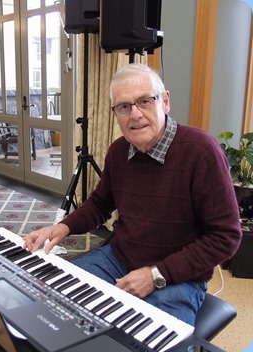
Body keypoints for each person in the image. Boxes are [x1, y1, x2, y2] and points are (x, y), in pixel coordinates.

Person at [24, 63, 242, 326]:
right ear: (116, 113)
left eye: (144, 101)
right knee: (56, 300)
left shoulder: (202, 152)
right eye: (124, 107)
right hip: (119, 258)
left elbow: (226, 237)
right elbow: (101, 204)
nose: (135, 114)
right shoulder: (119, 151)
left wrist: (156, 275)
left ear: (165, 102)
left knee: (142, 334)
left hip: (180, 276)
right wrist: (62, 227)